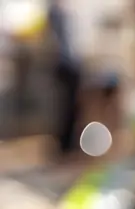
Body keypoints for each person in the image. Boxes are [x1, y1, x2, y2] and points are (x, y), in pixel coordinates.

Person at [47, 0, 82, 155]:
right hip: (64, 63)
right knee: (65, 106)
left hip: (70, 63)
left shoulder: (65, 11)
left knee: (72, 105)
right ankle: (65, 145)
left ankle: (68, 144)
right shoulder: (56, 12)